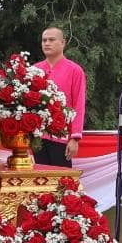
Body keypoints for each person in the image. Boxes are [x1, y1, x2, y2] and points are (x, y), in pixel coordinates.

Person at [33, 27, 86, 167]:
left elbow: (79, 105)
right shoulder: (34, 70)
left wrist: (75, 138)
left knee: (62, 177)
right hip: (38, 136)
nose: (47, 43)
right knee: (40, 177)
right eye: (44, 40)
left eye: (51, 40)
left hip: (62, 137)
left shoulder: (75, 70)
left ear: (63, 43)